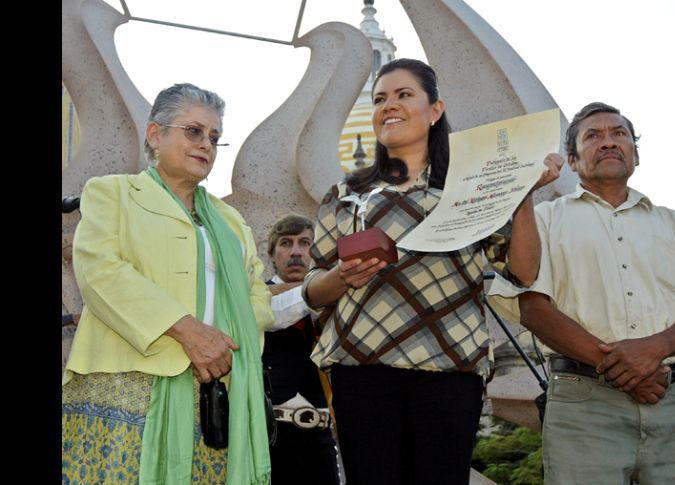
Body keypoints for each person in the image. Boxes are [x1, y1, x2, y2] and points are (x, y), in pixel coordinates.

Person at [301, 58, 563, 485]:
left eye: (405, 95)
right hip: (361, 372)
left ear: (435, 110)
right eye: (381, 98)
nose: (390, 106)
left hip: (450, 371)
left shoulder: (471, 187)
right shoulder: (346, 194)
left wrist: (523, 196)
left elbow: (524, 272)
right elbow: (312, 289)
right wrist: (343, 277)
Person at [62, 83, 273, 484]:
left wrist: (219, 343)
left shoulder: (231, 221)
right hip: (125, 384)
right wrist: (188, 331)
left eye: (214, 137)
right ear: (155, 135)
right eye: (193, 131)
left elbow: (256, 292)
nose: (206, 145)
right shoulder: (113, 193)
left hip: (214, 388)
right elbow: (102, 273)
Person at [513, 102, 675, 484]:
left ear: (634, 152)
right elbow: (533, 307)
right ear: (571, 160)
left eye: (619, 134)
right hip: (585, 405)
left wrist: (655, 348)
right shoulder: (544, 220)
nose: (609, 142)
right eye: (593, 136)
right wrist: (627, 370)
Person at [263, 214, 340, 485]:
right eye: (286, 243)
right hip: (269, 440)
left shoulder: (334, 305)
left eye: (305, 243)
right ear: (272, 254)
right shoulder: (256, 296)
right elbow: (265, 306)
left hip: (320, 439)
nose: (296, 252)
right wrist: (320, 288)